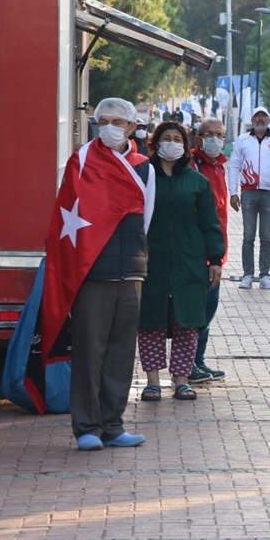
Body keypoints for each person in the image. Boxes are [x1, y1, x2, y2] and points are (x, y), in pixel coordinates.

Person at [42, 97, 155, 451]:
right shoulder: (82, 161)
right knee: (90, 351)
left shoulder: (144, 167)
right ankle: (87, 427)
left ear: (132, 128)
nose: (109, 127)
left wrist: (137, 260)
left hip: (131, 270)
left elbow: (147, 218)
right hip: (93, 272)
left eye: (117, 122)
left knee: (121, 352)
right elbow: (67, 214)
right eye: (103, 121)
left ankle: (113, 425)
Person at [137, 122, 224, 402]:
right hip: (152, 261)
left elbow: (210, 223)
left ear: (186, 145)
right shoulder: (144, 177)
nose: (171, 143)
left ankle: (182, 380)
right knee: (151, 322)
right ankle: (151, 382)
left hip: (190, 263)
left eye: (177, 139)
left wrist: (215, 259)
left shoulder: (198, 182)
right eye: (166, 138)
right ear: (155, 143)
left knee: (187, 324)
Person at [228, 106, 270, 290]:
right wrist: (233, 193)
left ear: (269, 120)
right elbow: (233, 166)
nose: (260, 119)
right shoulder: (242, 140)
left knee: (266, 237)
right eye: (257, 116)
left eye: (264, 116)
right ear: (252, 120)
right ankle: (247, 274)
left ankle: (265, 275)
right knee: (248, 236)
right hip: (248, 193)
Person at [188, 117, 229, 383]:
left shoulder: (219, 166)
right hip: (197, 251)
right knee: (196, 310)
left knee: (208, 308)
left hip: (216, 250)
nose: (214, 139)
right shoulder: (192, 165)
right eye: (209, 134)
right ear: (198, 138)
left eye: (219, 134)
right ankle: (188, 364)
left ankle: (198, 360)